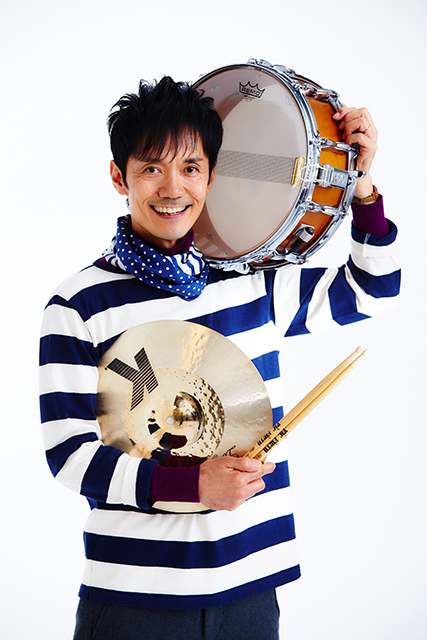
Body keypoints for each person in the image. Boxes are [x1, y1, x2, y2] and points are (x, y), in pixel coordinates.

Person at [39, 75, 400, 639]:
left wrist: (363, 187)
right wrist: (192, 487)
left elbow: (371, 289)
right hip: (135, 596)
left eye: (191, 168)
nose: (172, 188)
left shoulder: (247, 279)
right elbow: (69, 456)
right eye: (151, 168)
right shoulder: (79, 303)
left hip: (252, 589)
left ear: (212, 176)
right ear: (118, 176)